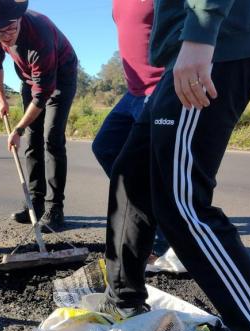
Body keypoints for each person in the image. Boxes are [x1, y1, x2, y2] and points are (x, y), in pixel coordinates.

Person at [99, 0, 250, 331]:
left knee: (182, 202)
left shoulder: (206, 38)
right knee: (130, 175)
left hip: (213, 45)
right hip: (185, 52)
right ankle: (123, 297)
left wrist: (201, 34)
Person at [0, 0, 78, 233]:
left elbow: (42, 95)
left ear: (19, 18)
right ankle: (35, 204)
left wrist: (17, 129)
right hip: (29, 80)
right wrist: (1, 99)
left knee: (51, 139)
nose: (5, 37)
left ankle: (55, 208)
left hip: (60, 78)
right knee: (33, 139)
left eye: (9, 29)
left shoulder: (40, 34)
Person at [92, 0, 170, 259]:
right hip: (134, 92)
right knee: (105, 147)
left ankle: (165, 246)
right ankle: (145, 220)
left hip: (160, 85)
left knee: (159, 168)